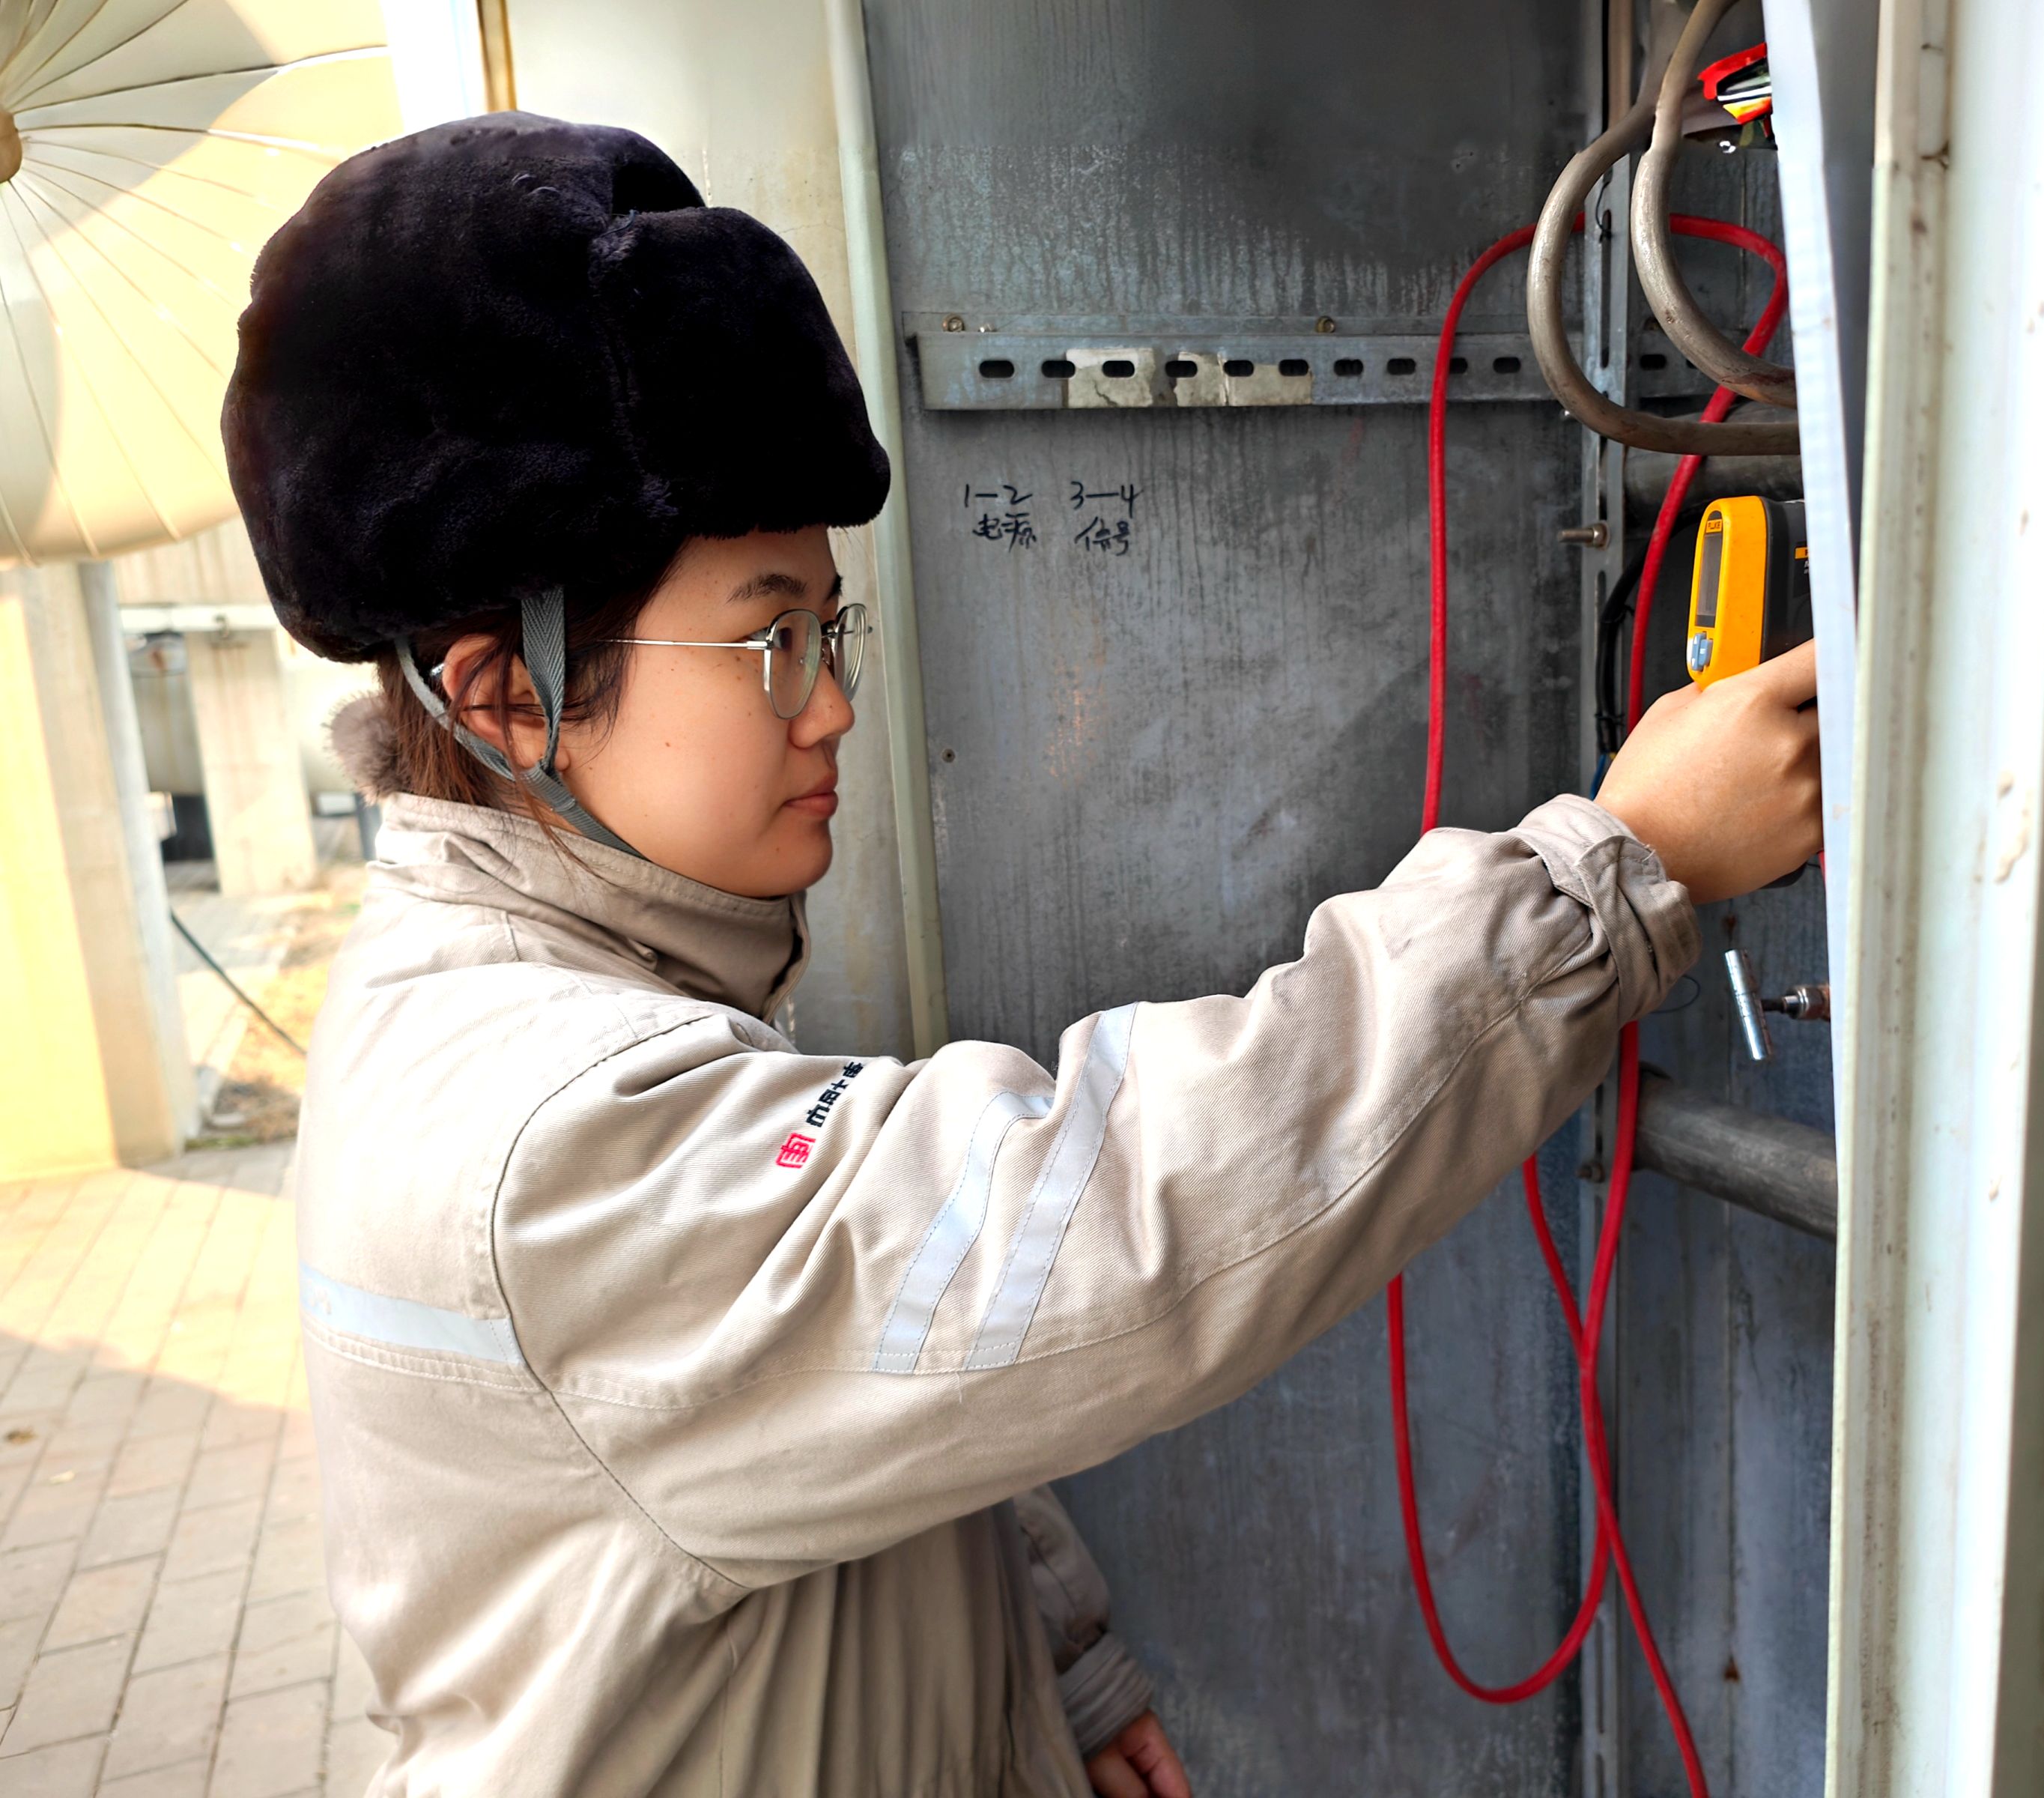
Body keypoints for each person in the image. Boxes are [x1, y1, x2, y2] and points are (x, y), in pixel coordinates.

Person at [228, 114, 1822, 1798]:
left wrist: (1051, 1660)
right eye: (769, 641)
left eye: (828, 628)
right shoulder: (552, 1141)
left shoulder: (548, 987)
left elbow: (855, 1378)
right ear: (507, 697)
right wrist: (1609, 874)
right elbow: (1103, 1215)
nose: (831, 706)